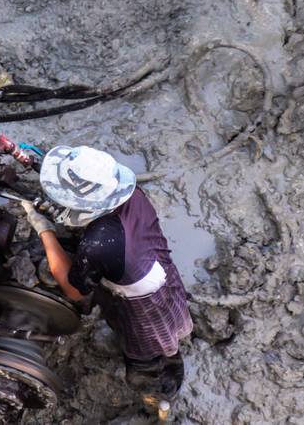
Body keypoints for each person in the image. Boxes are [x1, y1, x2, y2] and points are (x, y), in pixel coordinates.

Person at [17, 145, 193, 417]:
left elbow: (74, 292)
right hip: (162, 271)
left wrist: (45, 231)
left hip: (142, 307)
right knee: (170, 326)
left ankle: (159, 394)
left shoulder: (98, 244)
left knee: (148, 357)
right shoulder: (132, 194)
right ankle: (169, 353)